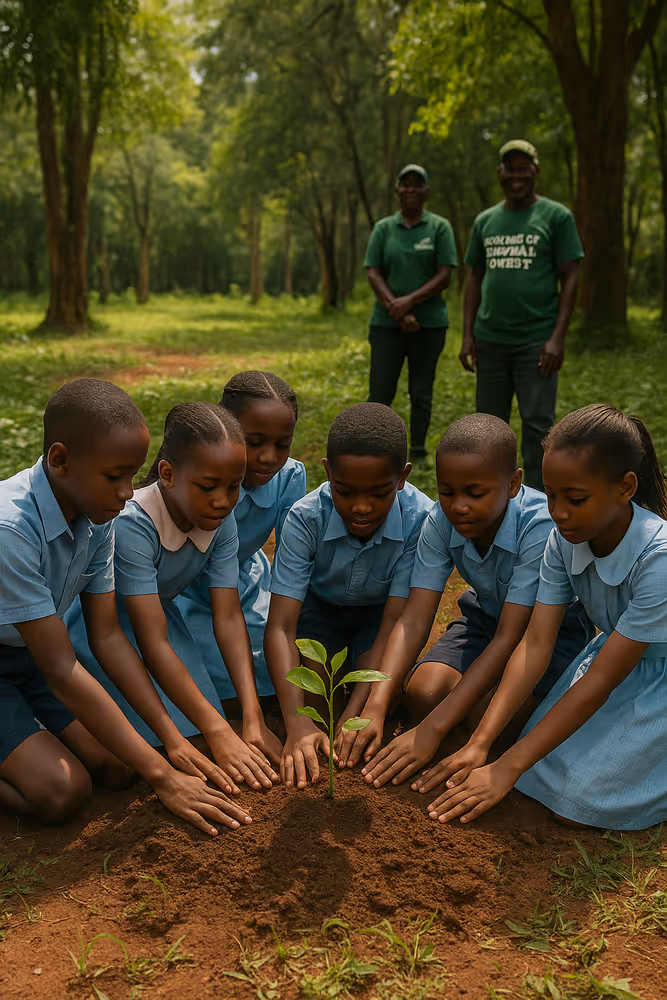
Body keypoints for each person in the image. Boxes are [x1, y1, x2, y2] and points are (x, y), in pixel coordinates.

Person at [0, 378, 251, 835]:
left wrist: (171, 744)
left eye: (133, 475)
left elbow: (109, 637)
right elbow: (60, 668)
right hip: (27, 658)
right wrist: (164, 777)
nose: (127, 492)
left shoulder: (98, 517)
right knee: (62, 790)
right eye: (114, 476)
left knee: (116, 766)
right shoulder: (12, 530)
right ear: (60, 460)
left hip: (27, 658)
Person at [421, 404, 667, 831]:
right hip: (612, 662)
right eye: (551, 495)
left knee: (574, 800)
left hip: (651, 676)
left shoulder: (658, 558)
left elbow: (601, 681)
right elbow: (535, 645)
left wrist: (506, 767)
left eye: (576, 499)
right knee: (538, 770)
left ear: (625, 487)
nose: (559, 512)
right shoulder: (563, 541)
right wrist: (482, 746)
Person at [336, 413, 593, 782]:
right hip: (484, 620)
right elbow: (414, 618)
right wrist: (376, 704)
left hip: (548, 633)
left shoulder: (538, 527)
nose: (458, 506)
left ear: (513, 483)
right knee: (422, 693)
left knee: (481, 717)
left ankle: (484, 721)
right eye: (447, 491)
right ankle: (465, 708)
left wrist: (433, 730)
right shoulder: (440, 521)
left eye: (475, 493)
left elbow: (513, 637)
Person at [66, 400, 281, 792]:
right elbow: (150, 640)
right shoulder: (134, 523)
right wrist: (217, 730)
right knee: (188, 742)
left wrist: (253, 719)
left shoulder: (220, 518)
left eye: (233, 486)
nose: (222, 500)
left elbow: (228, 617)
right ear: (167, 474)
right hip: (105, 630)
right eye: (207, 486)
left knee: (215, 725)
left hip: (160, 620)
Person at [265, 402, 434, 789]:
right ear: (328, 472)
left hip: (380, 614)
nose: (361, 508)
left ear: (403, 477)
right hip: (320, 609)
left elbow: (395, 621)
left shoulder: (421, 518)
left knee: (377, 699)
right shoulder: (305, 518)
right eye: (344, 491)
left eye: (378, 494)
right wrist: (297, 723)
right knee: (312, 690)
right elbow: (281, 625)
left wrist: (360, 710)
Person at [460, 140, 584, 490]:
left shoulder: (557, 217)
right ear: (500, 173)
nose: (516, 174)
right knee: (487, 426)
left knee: (537, 425)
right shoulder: (485, 221)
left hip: (536, 341)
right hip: (491, 340)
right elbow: (475, 277)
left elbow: (571, 274)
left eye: (523, 167)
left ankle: (538, 500)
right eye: (509, 167)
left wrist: (557, 337)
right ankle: (490, 495)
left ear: (536, 171)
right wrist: (468, 335)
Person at [177, 371, 306, 701]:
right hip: (185, 588)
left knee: (277, 659)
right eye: (255, 441)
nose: (268, 457)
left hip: (244, 585)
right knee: (204, 673)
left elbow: (292, 565)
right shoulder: (193, 474)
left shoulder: (290, 477)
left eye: (282, 444)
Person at [365, 164, 457, 465]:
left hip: (428, 325)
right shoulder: (383, 229)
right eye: (405, 184)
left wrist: (409, 303)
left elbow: (445, 274)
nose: (411, 189)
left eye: (418, 184)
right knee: (381, 389)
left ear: (427, 191)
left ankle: (417, 450)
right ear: (397, 190)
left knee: (421, 389)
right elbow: (374, 272)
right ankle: (374, 446)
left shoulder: (439, 228)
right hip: (386, 325)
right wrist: (396, 308)